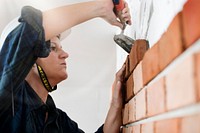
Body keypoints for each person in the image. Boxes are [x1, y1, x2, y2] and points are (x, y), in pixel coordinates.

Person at [0, 0, 131, 132]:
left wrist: (115, 104)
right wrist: (101, 7)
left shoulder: (58, 121)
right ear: (30, 60)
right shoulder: (9, 101)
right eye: (53, 48)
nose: (65, 54)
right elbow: (25, 35)